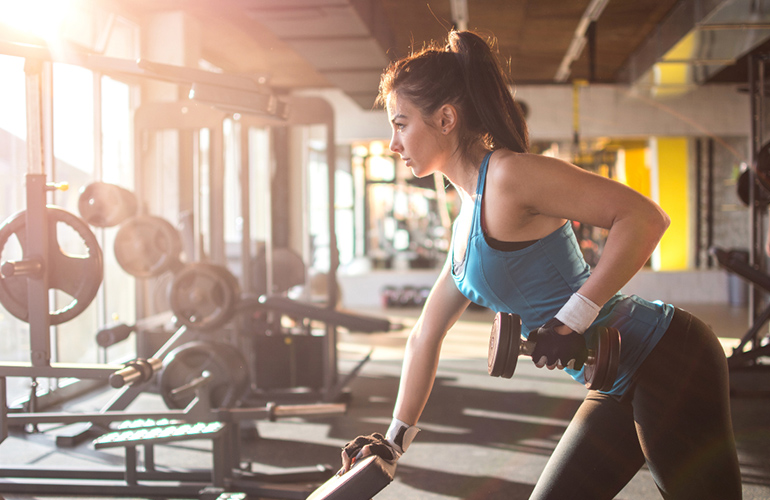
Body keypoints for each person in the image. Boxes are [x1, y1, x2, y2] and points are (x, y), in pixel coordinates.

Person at [340, 30, 742, 499]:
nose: (392, 142)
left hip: (667, 357)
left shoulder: (511, 175)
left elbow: (645, 218)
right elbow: (425, 334)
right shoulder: (465, 219)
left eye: (401, 124)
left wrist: (571, 319)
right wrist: (393, 441)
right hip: (615, 379)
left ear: (446, 118)